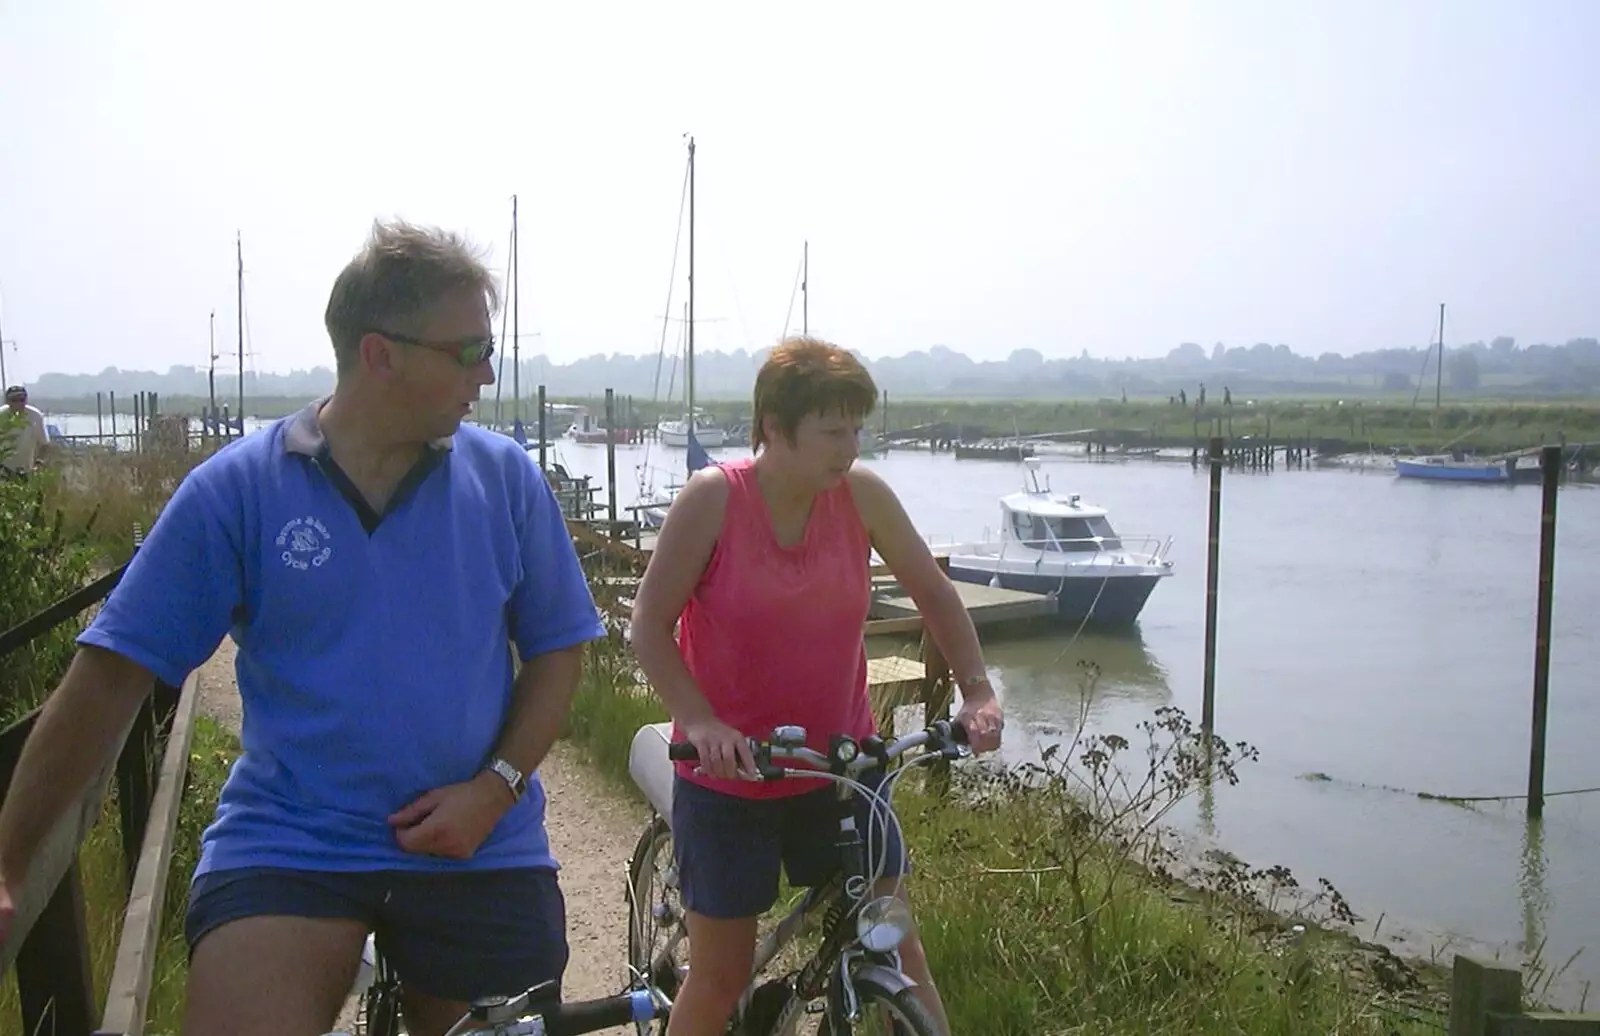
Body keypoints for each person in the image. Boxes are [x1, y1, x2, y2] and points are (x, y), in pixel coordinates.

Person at [0, 220, 605, 1036]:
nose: (488, 374)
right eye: (467, 351)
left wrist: (492, 790)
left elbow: (558, 649)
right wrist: (8, 861)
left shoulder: (506, 481)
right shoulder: (238, 491)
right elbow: (112, 674)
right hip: (293, 841)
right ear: (379, 353)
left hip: (479, 843)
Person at [629, 336, 1005, 1036]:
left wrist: (977, 692)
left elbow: (934, 593)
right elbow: (647, 627)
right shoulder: (713, 500)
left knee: (897, 944)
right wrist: (700, 722)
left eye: (857, 428)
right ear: (774, 427)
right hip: (731, 775)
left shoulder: (861, 498)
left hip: (844, 766)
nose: (850, 447)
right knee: (721, 976)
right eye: (833, 430)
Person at [1, 385, 50, 476]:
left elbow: (44, 444)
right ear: (7, 401)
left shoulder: (35, 416)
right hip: (3, 470)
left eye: (22, 400)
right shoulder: (1, 415)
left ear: (26, 400)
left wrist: (39, 463)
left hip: (27, 470)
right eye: (14, 400)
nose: (18, 404)